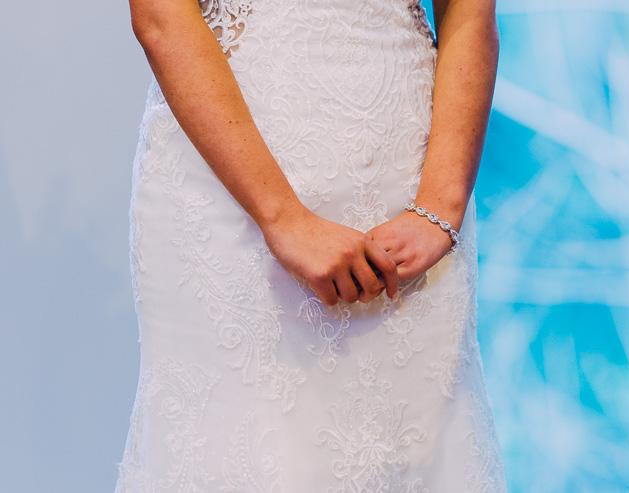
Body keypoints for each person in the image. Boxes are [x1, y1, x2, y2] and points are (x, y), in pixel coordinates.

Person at [115, 0, 506, 491]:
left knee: (419, 444)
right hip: (229, 192)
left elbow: (470, 12)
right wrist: (282, 217)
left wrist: (440, 207)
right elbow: (160, 16)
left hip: (409, 186)